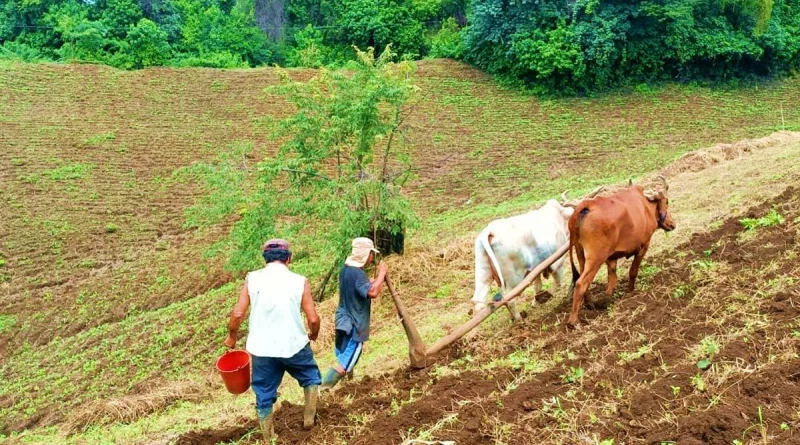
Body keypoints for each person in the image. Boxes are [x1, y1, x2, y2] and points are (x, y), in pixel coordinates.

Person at [223, 239, 321, 443]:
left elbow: (238, 312)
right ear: (289, 258)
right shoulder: (299, 281)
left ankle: (269, 438)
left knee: (264, 393)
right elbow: (313, 318)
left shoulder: (252, 279)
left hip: (262, 348)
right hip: (294, 344)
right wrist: (313, 334)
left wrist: (232, 336)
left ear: (265, 258)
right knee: (310, 377)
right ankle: (309, 420)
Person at [321, 237, 388, 389]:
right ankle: (323, 390)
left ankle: (347, 388)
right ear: (366, 254)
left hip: (343, 320)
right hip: (354, 324)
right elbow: (373, 293)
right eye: (371, 253)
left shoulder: (346, 270)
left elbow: (358, 287)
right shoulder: (357, 273)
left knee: (345, 356)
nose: (372, 257)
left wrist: (372, 281)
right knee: (345, 362)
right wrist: (382, 274)